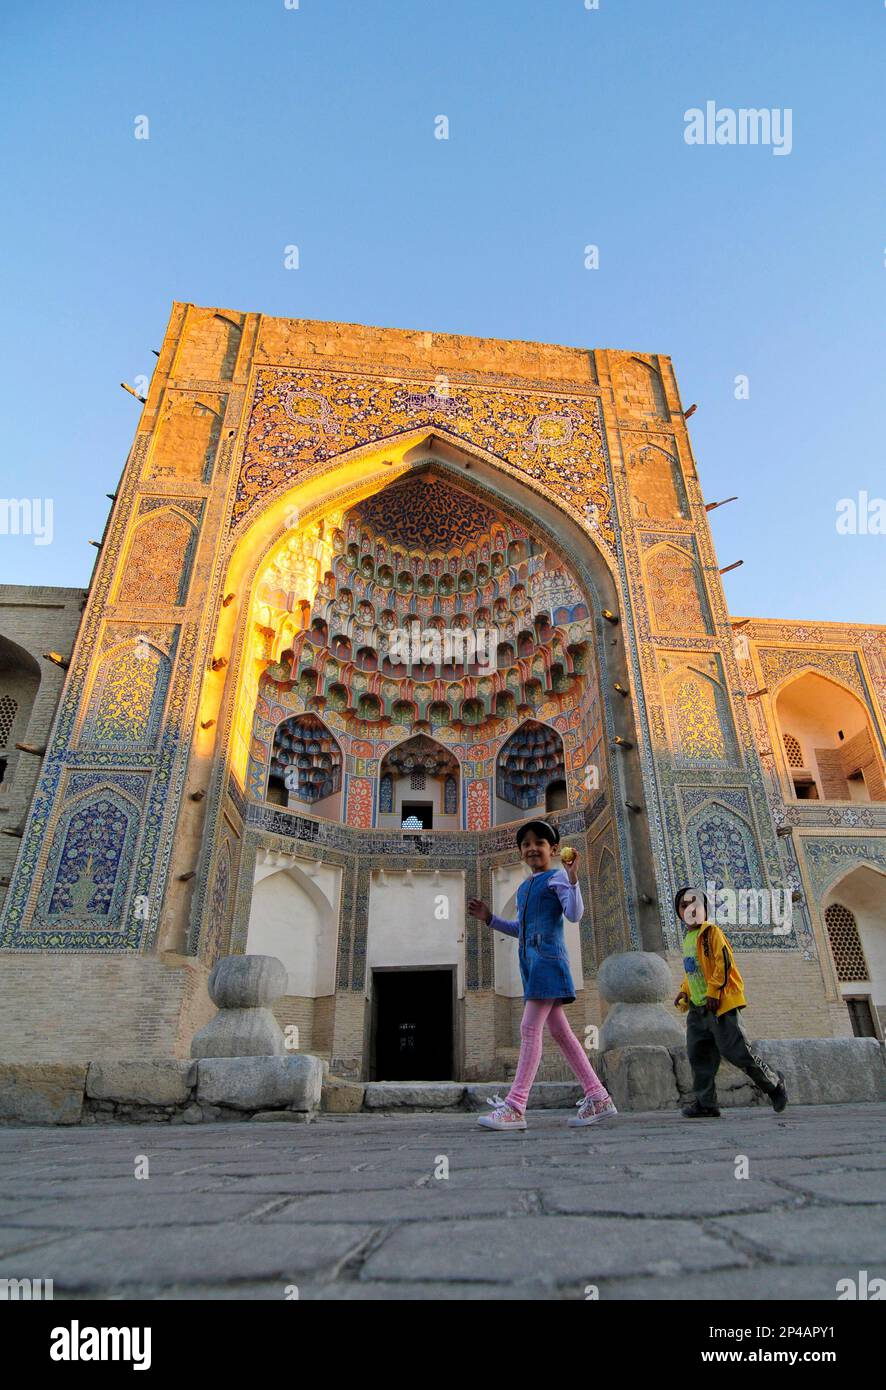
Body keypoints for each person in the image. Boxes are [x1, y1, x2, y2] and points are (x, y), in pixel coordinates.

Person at [467, 819, 616, 1130]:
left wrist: (573, 879)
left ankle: (515, 1105)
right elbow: (521, 928)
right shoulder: (524, 888)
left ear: (553, 849)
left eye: (539, 843)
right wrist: (490, 918)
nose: (532, 848)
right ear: (521, 852)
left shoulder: (557, 879)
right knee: (561, 1034)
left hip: (548, 960)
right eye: (526, 844)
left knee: (529, 1029)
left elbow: (574, 914)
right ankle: (598, 1096)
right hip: (531, 964)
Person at [673, 886, 788, 1117]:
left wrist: (714, 993)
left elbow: (722, 963)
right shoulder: (688, 939)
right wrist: (684, 991)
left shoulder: (712, 932)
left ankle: (774, 1085)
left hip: (720, 1004)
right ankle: (706, 1103)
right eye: (684, 905)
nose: (689, 909)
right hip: (698, 1008)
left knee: (736, 1051)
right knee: (699, 1055)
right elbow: (694, 971)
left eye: (694, 904)